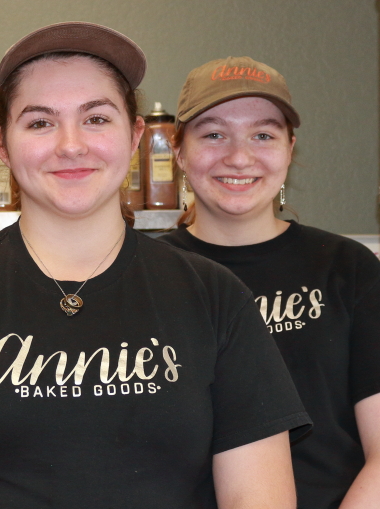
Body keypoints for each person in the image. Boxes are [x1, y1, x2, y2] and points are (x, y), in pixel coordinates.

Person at [0, 22, 312, 508]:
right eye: (41, 122)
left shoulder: (213, 294)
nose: (71, 145)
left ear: (135, 137)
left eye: (96, 119)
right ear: (1, 145)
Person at [160, 56, 380, 508]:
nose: (239, 157)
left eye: (263, 135)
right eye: (214, 134)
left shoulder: (347, 267)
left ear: (290, 149)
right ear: (179, 151)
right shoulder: (145, 274)